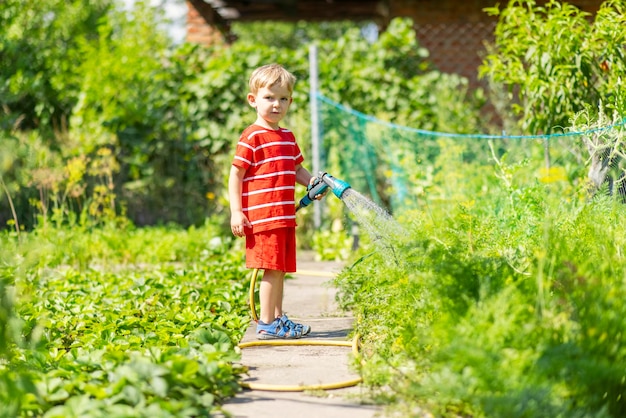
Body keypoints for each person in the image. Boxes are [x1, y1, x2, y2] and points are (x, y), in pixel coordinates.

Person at [228, 63, 322, 339]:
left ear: (290, 102)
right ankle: (267, 324)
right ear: (253, 100)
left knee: (279, 270)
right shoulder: (252, 136)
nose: (276, 105)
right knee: (270, 270)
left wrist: (314, 182)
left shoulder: (287, 137)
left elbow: (296, 170)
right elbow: (235, 176)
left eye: (283, 99)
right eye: (269, 98)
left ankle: (278, 318)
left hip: (283, 217)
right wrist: (236, 212)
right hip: (263, 219)